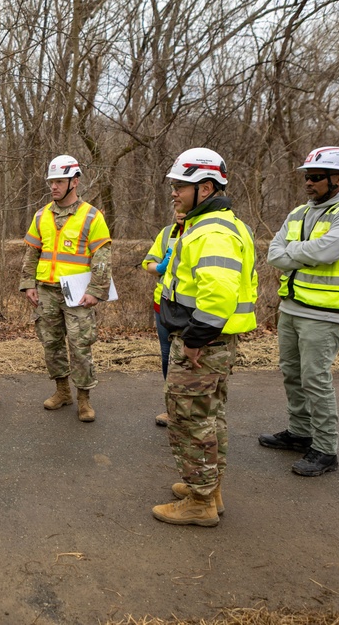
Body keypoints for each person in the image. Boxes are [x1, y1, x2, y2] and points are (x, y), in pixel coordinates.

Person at [151, 148, 258, 527]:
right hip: (213, 342)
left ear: (206, 188)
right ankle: (210, 488)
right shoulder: (220, 225)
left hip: (203, 342)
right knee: (210, 416)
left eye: (181, 186)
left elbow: (218, 295)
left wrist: (195, 340)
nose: (174, 192)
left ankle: (200, 502)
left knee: (189, 419)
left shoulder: (213, 233)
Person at [259, 146, 339, 477]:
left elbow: (326, 251)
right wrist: (303, 253)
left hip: (325, 312)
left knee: (315, 378)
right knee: (292, 373)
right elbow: (274, 253)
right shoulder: (299, 212)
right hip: (292, 306)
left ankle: (325, 449)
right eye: (307, 176)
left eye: (317, 177)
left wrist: (294, 251)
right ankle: (300, 432)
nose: (309, 182)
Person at [19, 154, 112, 422]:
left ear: (75, 182)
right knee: (51, 343)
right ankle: (62, 391)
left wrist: (96, 290)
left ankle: (84, 399)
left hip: (78, 294)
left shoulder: (92, 216)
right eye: (51, 182)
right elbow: (32, 252)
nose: (53, 186)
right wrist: (28, 284)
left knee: (80, 345)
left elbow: (102, 256)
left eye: (59, 181)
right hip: (46, 291)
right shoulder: (41, 215)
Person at [142, 212, 186, 427]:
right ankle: (172, 408)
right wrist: (159, 267)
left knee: (187, 358)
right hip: (164, 306)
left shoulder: (205, 232)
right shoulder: (168, 232)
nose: (179, 212)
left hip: (191, 308)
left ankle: (189, 410)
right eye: (176, 206)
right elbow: (149, 263)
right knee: (167, 356)